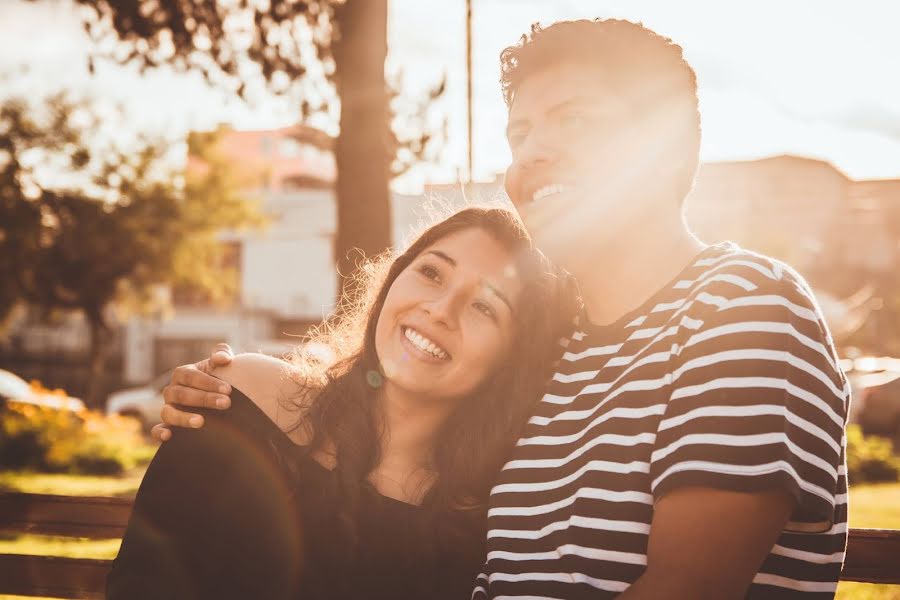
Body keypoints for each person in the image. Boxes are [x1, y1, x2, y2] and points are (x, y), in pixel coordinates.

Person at [159, 18, 849, 599]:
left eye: (573, 119)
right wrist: (235, 397)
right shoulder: (556, 351)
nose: (533, 153)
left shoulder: (744, 307)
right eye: (519, 134)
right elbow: (394, 412)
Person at [106, 207, 579, 600]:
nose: (440, 310)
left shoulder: (488, 522)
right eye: (432, 272)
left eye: (484, 307)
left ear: (508, 361)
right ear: (395, 280)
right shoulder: (242, 395)